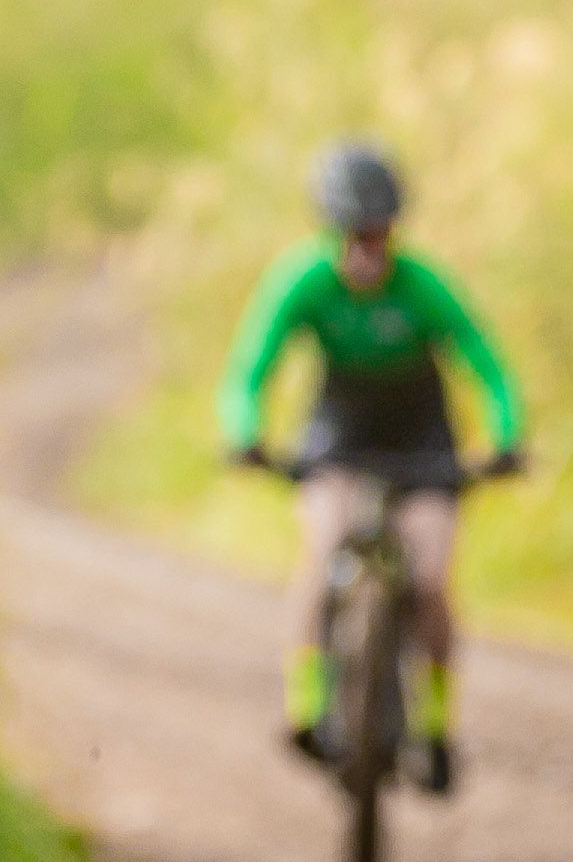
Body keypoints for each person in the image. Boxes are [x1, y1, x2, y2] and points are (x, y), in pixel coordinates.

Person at [221, 141, 526, 796]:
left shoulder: (424, 285)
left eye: (378, 234)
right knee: (323, 547)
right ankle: (308, 708)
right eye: (353, 235)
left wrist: (506, 437)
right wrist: (244, 433)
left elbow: (486, 362)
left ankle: (436, 728)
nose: (367, 250)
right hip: (340, 433)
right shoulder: (303, 280)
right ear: (330, 232)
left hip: (423, 436)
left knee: (431, 576)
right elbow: (252, 366)